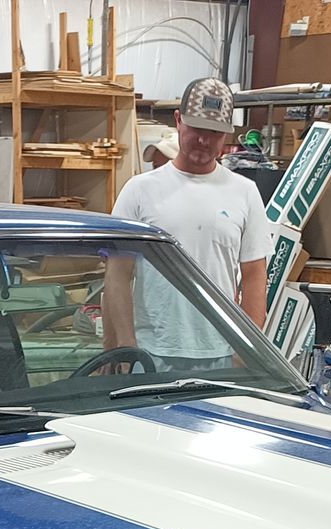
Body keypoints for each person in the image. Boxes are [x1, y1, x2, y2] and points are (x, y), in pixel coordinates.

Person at [103, 77, 270, 368]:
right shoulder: (139, 190)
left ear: (227, 135)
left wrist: (247, 349)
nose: (204, 140)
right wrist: (126, 346)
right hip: (152, 352)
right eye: (197, 129)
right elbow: (118, 274)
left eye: (215, 133)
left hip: (221, 353)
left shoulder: (244, 192)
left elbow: (255, 276)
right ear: (179, 120)